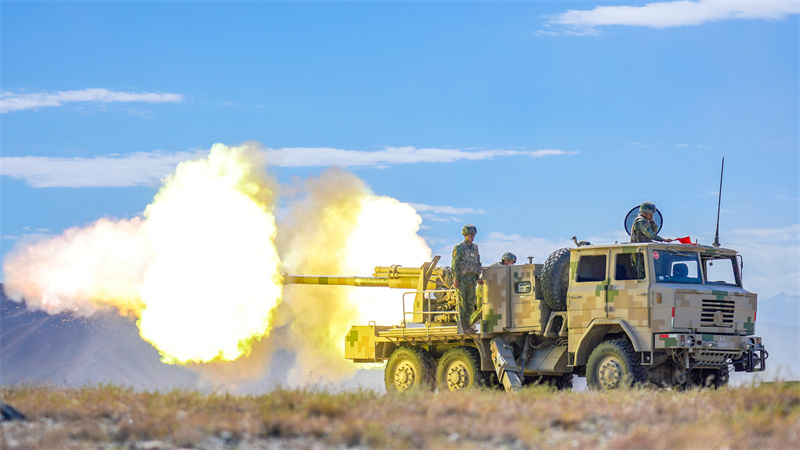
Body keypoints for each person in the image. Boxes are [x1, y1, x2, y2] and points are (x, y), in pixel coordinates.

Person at [452, 224, 483, 334]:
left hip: (472, 280)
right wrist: (456, 278)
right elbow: (455, 263)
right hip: (462, 280)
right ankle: (462, 326)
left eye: (473, 235)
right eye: (469, 235)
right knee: (462, 303)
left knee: (470, 304)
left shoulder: (475, 248)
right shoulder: (459, 248)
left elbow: (477, 263)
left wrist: (477, 277)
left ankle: (469, 326)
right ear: (465, 235)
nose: (471, 237)